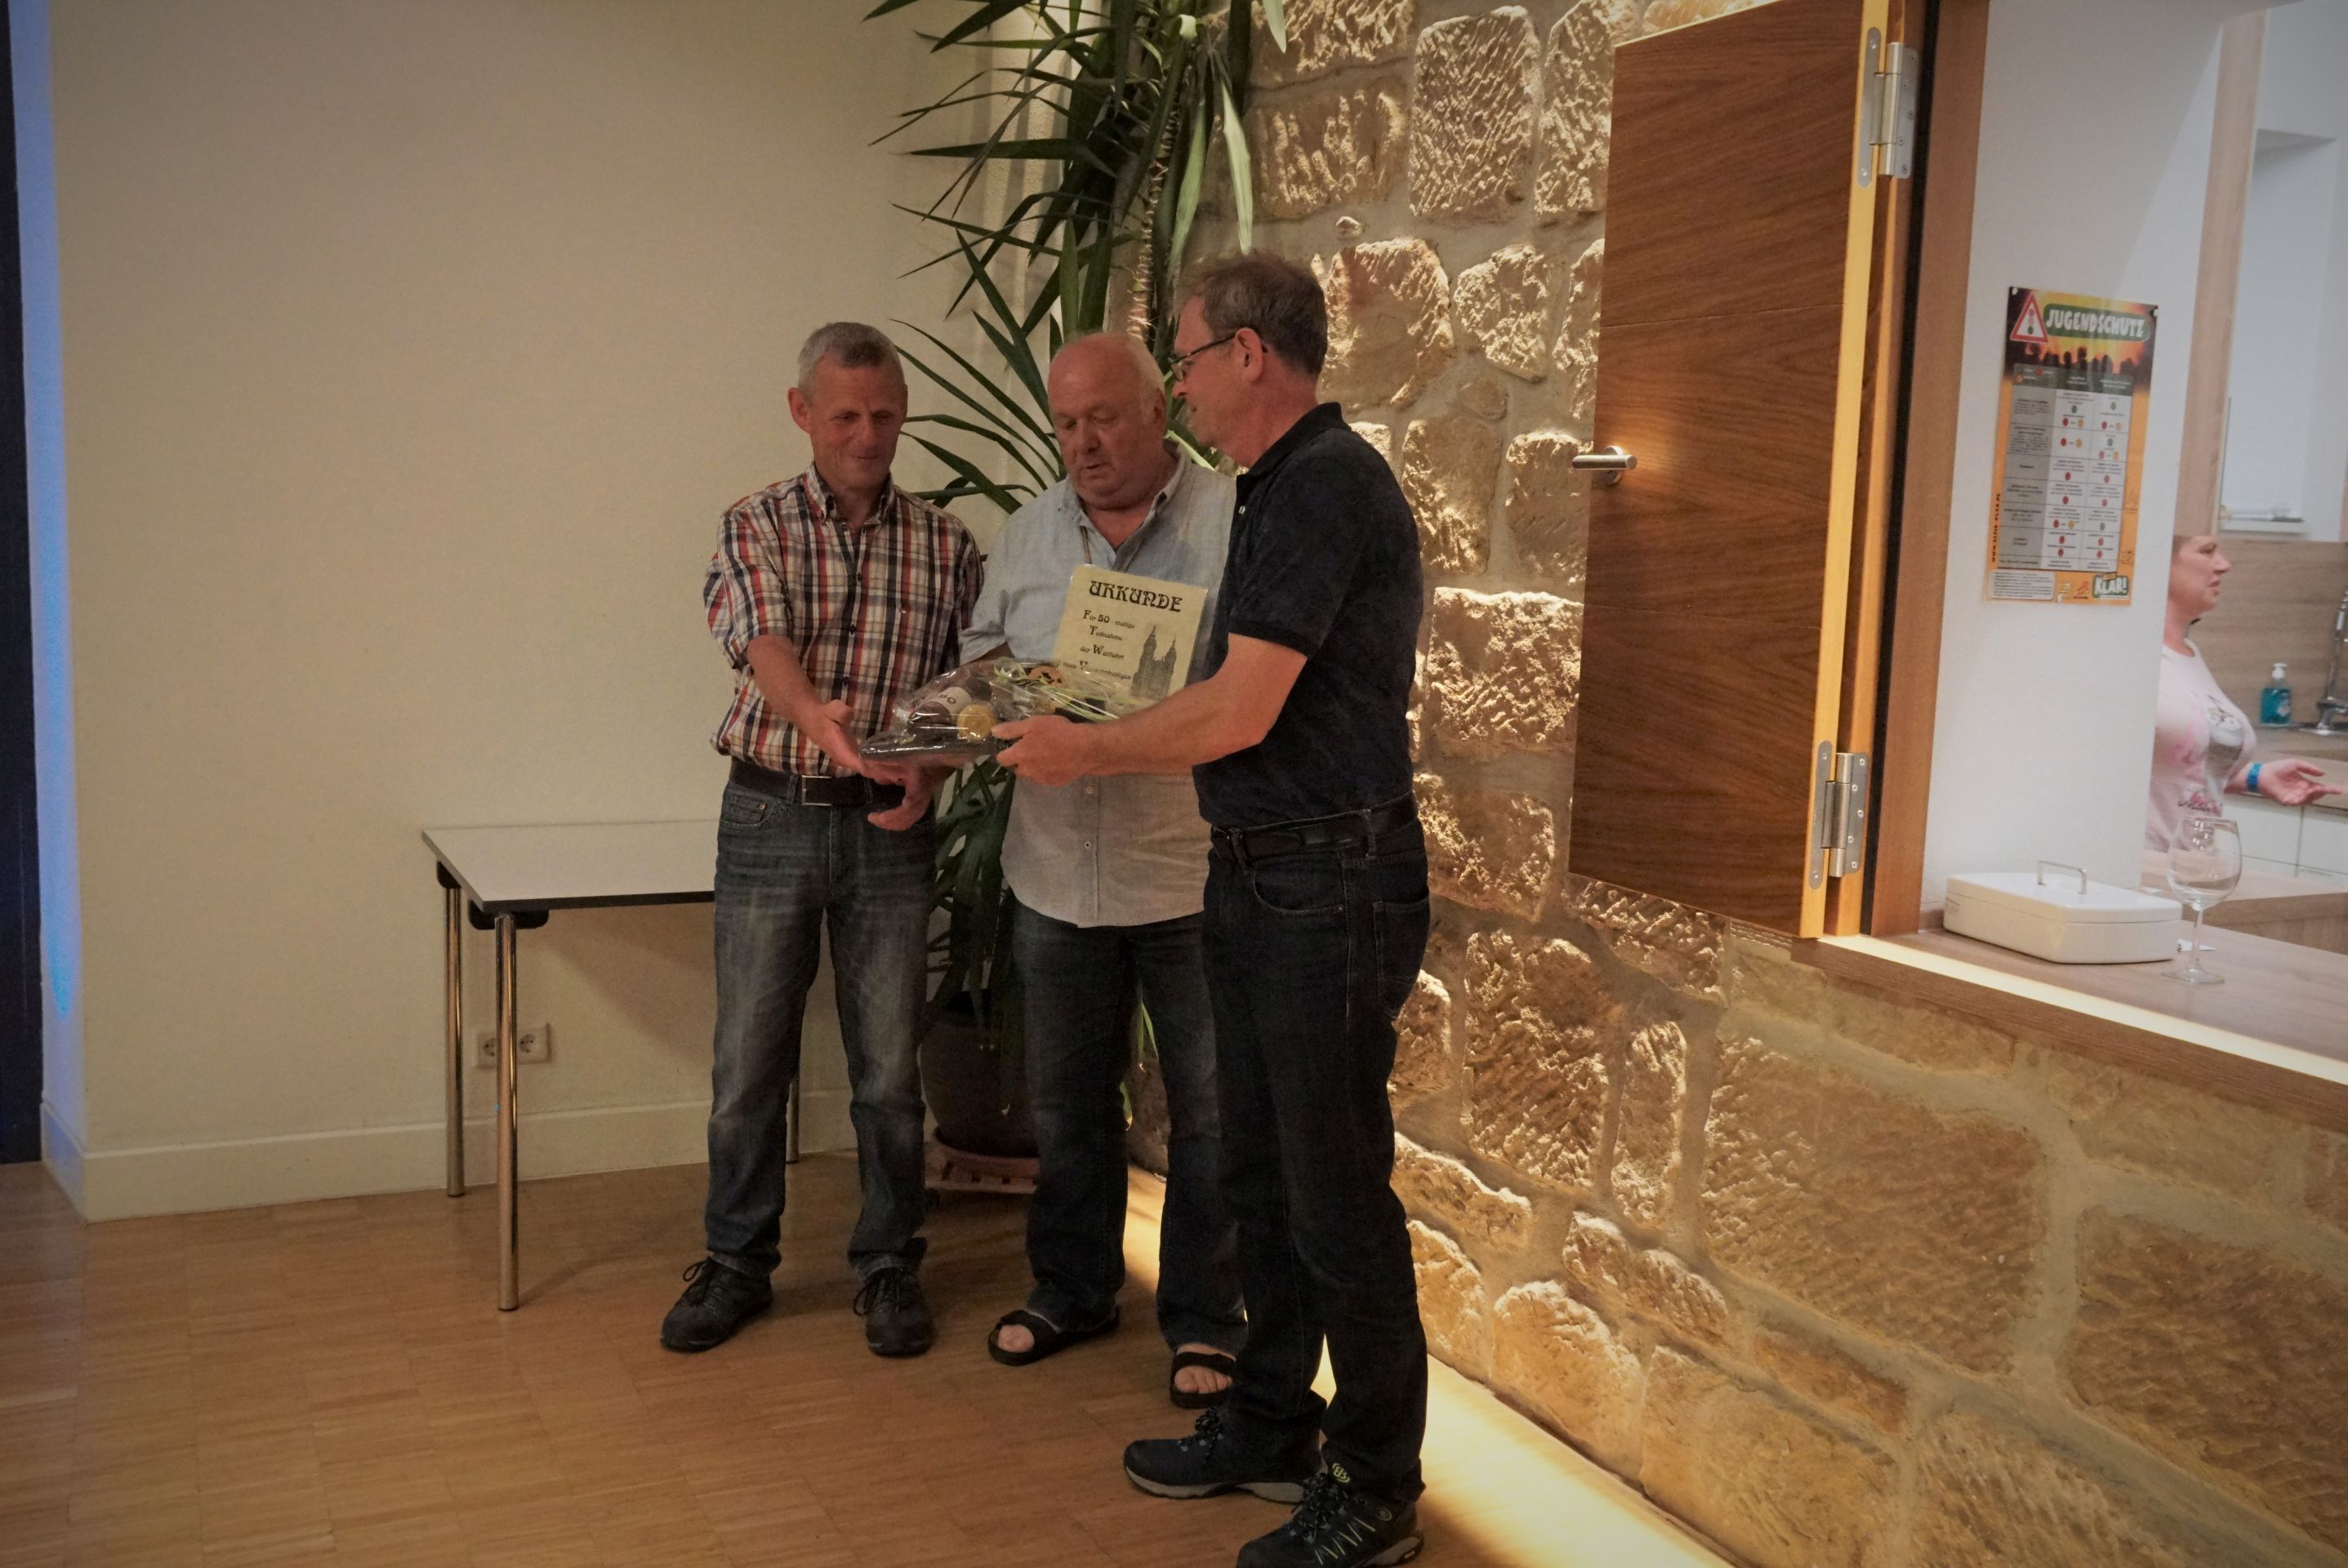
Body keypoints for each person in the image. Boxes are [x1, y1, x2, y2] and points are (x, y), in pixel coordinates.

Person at [996, 254, 1430, 1568]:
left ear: (1248, 354)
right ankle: (1270, 1417)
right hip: (1253, 868)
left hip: (1325, 878)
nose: (1178, 386)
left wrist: (1085, 747)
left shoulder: (1326, 484)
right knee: (1257, 1172)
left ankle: (1376, 1482)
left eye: (1183, 359)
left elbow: (1239, 708)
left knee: (1334, 1192)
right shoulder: (1274, 486)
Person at [666, 322, 981, 1359]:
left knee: (888, 1074)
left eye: (884, 415)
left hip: (889, 831)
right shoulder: (756, 523)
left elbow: (971, 690)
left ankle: (889, 1265)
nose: (866, 435)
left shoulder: (947, 547)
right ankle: (736, 1262)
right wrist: (815, 717)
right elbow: (759, 637)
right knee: (747, 1067)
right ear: (802, 412)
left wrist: (932, 772)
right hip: (770, 812)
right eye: (844, 415)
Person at [962, 332, 1246, 1405]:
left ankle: (1206, 1321)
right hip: (1054, 874)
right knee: (1068, 1103)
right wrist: (990, 702)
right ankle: (1073, 1290)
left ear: (1159, 408)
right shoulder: (1028, 533)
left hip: (1188, 874)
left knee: (1210, 1113)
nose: (1083, 442)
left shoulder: (1233, 520)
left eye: (1105, 418)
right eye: (1066, 424)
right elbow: (983, 665)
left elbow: (1256, 689)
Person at [2148, 533, 2337, 851]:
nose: (2224, 565)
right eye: (2207, 551)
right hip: (2138, 863)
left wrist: (2256, 776)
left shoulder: (2189, 653)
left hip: (2190, 862)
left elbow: (2179, 766)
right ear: (2159, 561)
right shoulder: (2133, 656)